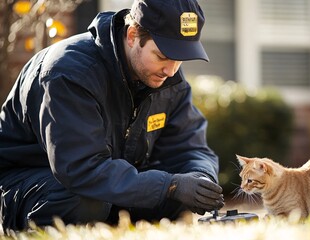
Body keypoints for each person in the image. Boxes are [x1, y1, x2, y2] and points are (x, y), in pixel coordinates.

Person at [0, 0, 224, 232]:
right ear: (132, 35)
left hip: (110, 187)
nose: (171, 70)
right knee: (86, 202)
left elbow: (189, 147)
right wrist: (170, 185)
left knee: (178, 198)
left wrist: (200, 178)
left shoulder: (169, 80)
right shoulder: (68, 73)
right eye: (162, 55)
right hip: (30, 186)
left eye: (180, 58)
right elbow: (81, 169)